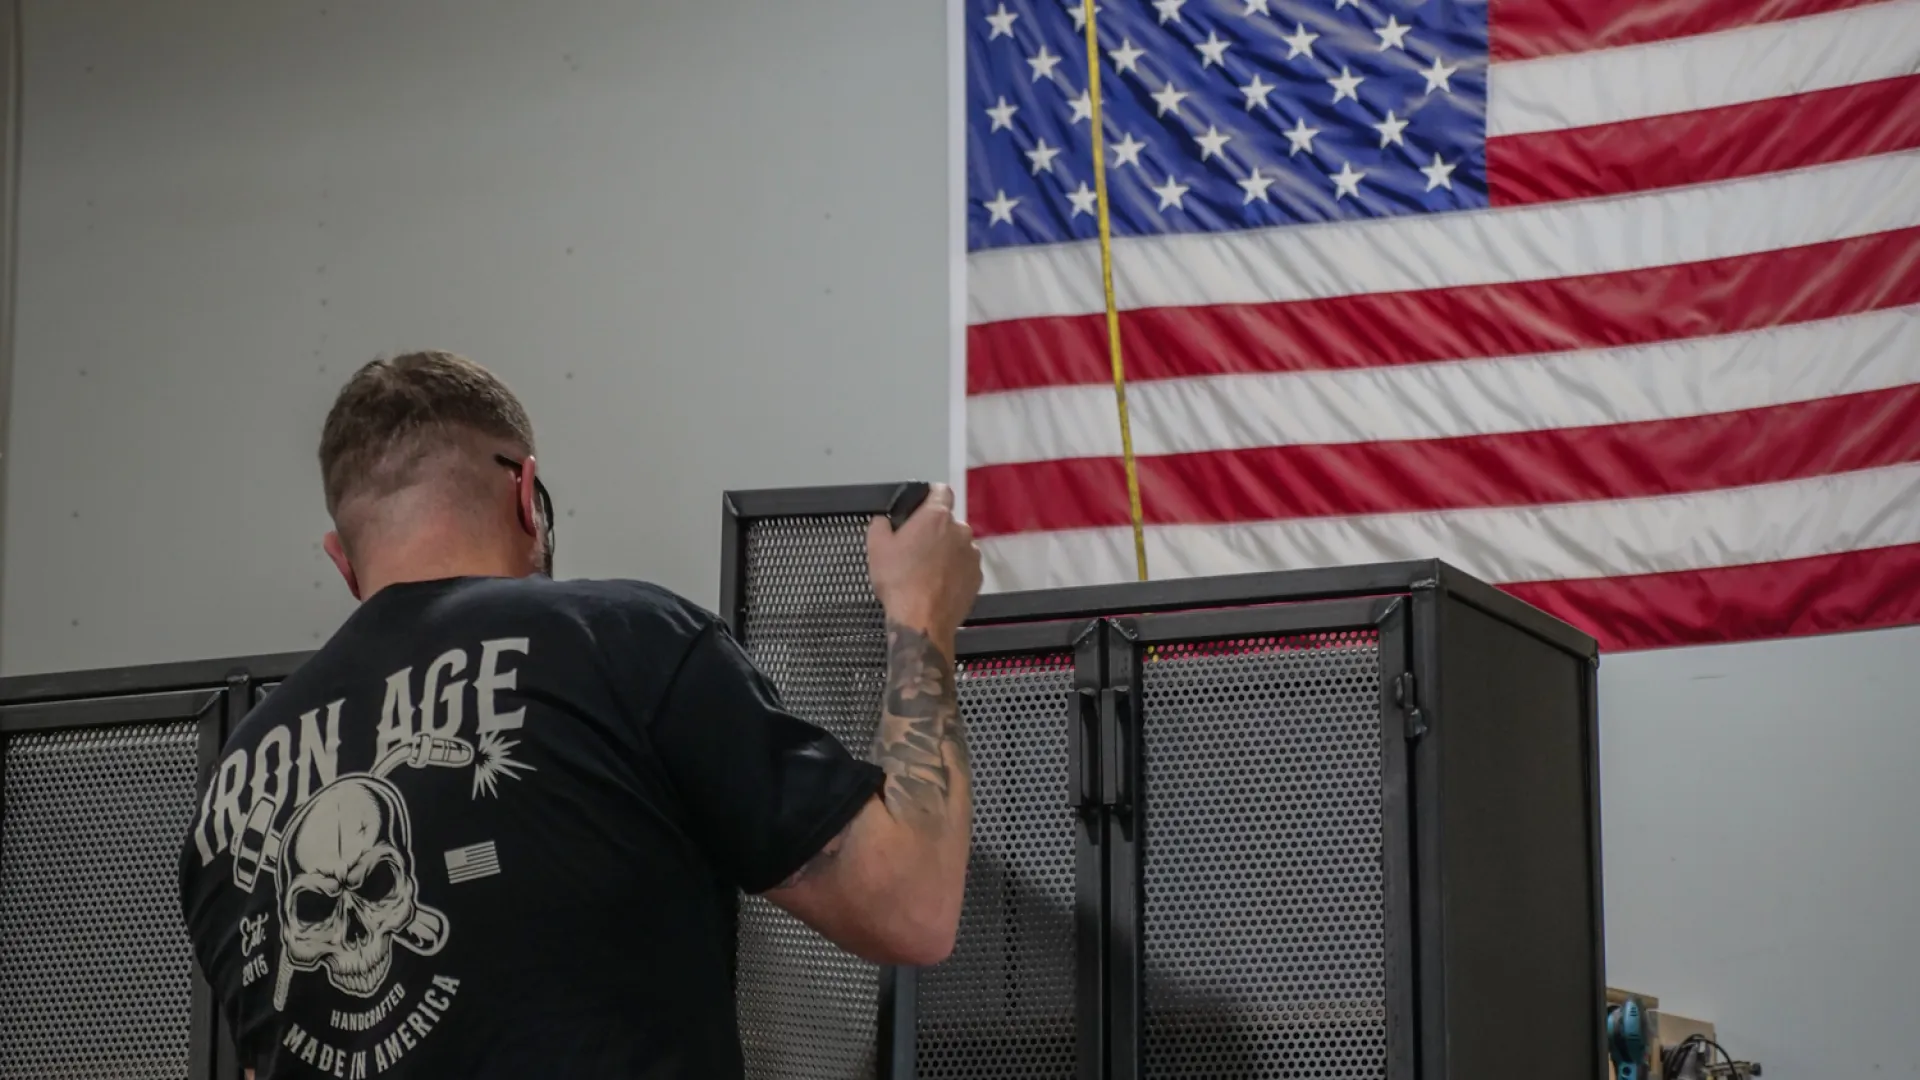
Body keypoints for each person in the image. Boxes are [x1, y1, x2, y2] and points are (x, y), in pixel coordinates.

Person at [177, 350, 981, 1078]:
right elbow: (908, 905)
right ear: (528, 496)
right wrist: (922, 615)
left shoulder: (226, 802)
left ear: (342, 560)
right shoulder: (621, 641)